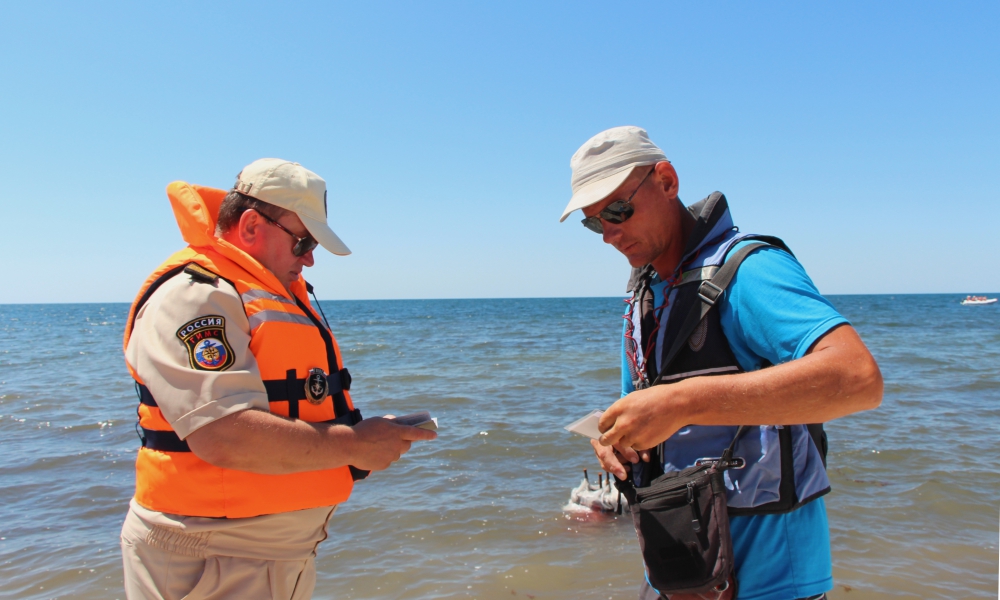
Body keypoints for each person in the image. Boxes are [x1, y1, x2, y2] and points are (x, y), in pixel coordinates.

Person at [559, 127, 883, 600]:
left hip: (773, 581)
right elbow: (642, 411)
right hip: (677, 575)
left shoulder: (751, 270)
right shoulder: (643, 298)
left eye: (617, 210)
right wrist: (616, 441)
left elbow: (858, 379)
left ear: (667, 182)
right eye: (595, 222)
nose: (609, 234)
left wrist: (685, 401)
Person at [120, 158, 436, 600]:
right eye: (303, 241)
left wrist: (363, 440)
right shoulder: (195, 296)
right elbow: (223, 435)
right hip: (216, 559)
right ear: (251, 226)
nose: (309, 258)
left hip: (261, 557)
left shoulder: (257, 291)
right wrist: (355, 443)